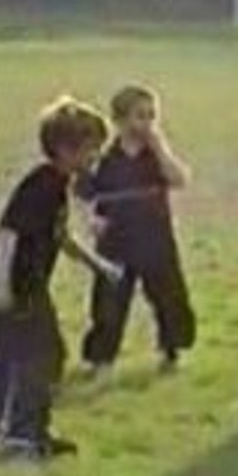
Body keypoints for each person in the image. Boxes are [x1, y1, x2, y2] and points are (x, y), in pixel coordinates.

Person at [0, 96, 122, 460]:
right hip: (15, 284)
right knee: (45, 354)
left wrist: (98, 266)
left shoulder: (57, 184)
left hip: (22, 283)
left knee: (0, 353)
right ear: (65, 149)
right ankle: (25, 437)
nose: (96, 157)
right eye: (92, 149)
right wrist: (0, 287)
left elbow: (61, 236)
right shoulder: (42, 186)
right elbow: (7, 235)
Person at [78, 84, 196, 378]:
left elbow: (179, 180)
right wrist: (91, 220)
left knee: (168, 296)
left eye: (152, 116)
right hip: (115, 242)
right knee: (108, 303)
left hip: (155, 238)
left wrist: (160, 148)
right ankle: (102, 360)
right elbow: (83, 194)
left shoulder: (155, 155)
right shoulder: (103, 159)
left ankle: (171, 350)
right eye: (140, 116)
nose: (147, 123)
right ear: (119, 121)